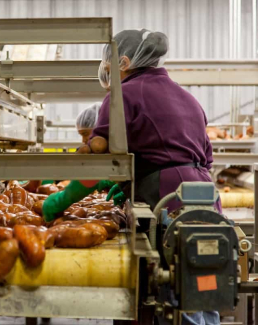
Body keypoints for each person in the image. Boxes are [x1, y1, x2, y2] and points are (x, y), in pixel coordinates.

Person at [42, 29, 221, 325]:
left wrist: (61, 201)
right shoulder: (188, 98)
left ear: (123, 62)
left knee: (173, 292)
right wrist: (125, 183)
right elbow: (205, 158)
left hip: (167, 202)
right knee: (205, 284)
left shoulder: (123, 95)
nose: (107, 72)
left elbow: (100, 157)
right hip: (205, 199)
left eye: (108, 66)